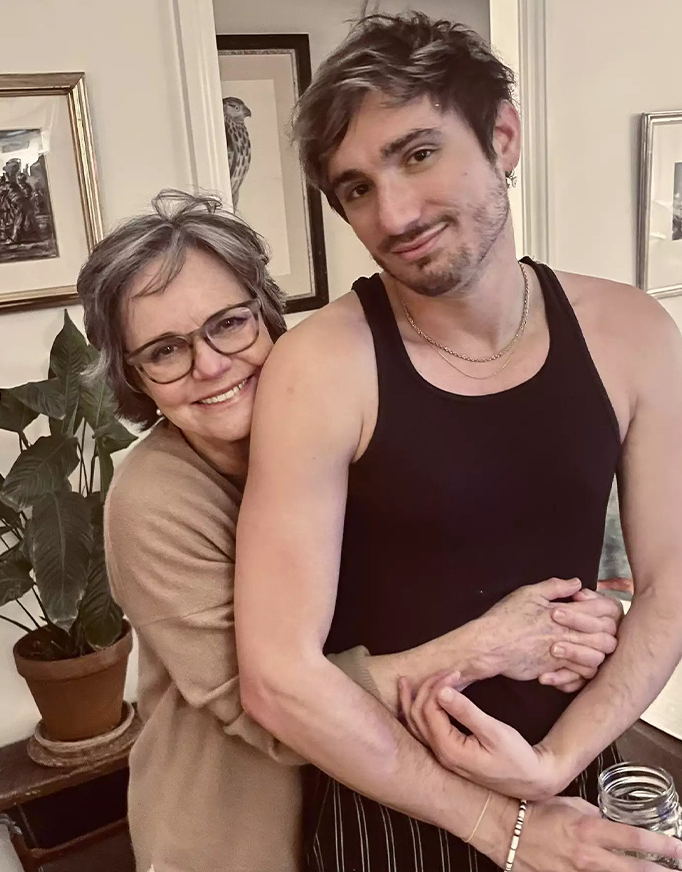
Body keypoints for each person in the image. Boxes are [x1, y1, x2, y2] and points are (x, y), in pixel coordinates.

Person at [234, 12, 682, 872]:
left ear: (503, 136)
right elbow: (277, 676)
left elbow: (676, 584)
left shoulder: (633, 334)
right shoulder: (321, 369)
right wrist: (504, 828)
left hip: (571, 767)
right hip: (391, 802)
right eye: (356, 189)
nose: (395, 212)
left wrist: (555, 765)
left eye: (416, 154)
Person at [76, 190, 619, 872]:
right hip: (243, 832)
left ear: (269, 315)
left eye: (230, 323)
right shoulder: (155, 501)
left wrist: (571, 620)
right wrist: (485, 646)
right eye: (164, 351)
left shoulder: (341, 425)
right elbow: (270, 709)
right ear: (135, 380)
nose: (210, 364)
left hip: (387, 802)